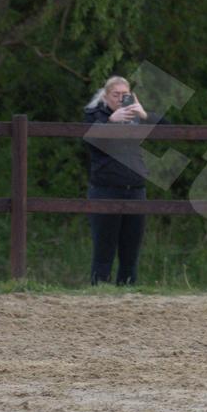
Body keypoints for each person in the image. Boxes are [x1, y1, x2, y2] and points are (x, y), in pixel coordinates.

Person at [83, 76, 149, 285]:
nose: (121, 99)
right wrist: (111, 122)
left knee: (131, 249)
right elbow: (92, 142)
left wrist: (144, 116)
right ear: (105, 96)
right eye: (116, 95)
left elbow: (169, 130)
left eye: (125, 95)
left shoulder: (136, 117)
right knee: (104, 247)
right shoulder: (93, 115)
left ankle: (128, 290)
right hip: (105, 189)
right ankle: (100, 289)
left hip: (135, 188)